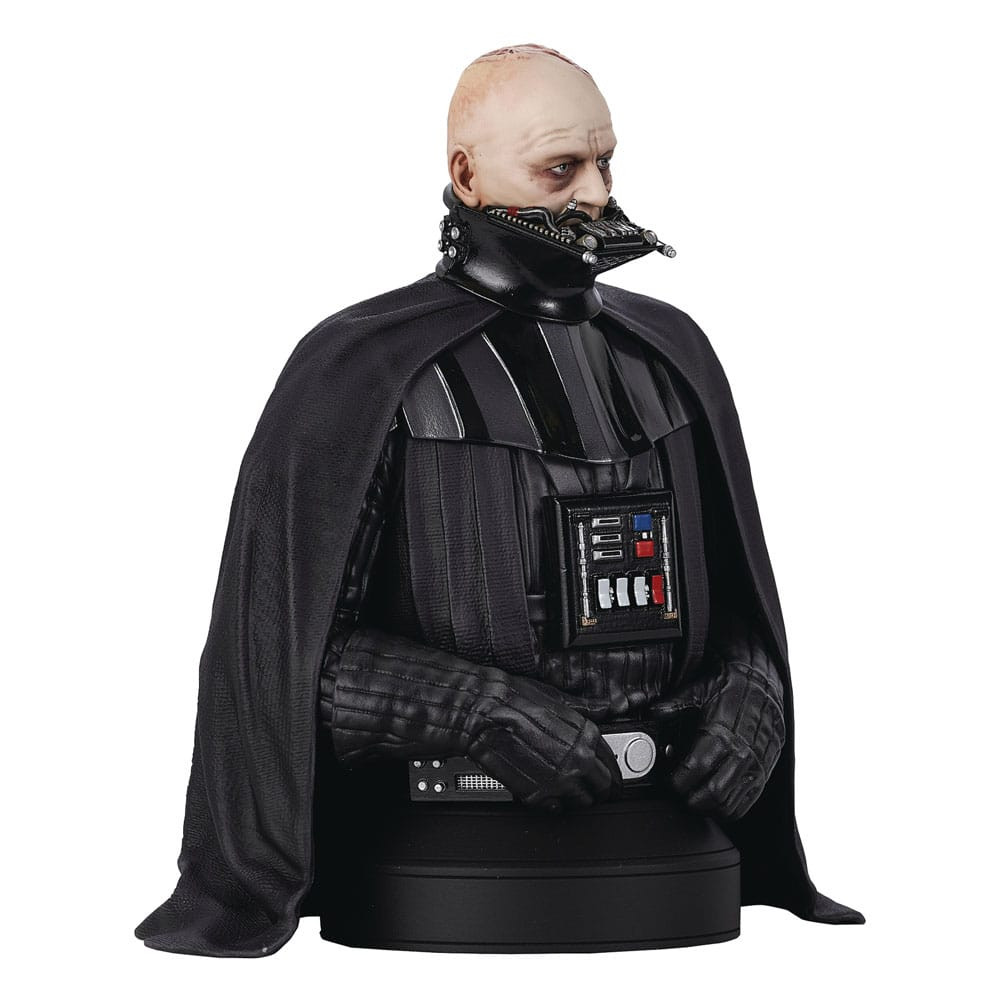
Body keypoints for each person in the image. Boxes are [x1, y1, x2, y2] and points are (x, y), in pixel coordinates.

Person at [136, 43, 864, 958]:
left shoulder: (671, 355)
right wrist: (474, 708)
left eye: (605, 162)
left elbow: (737, 603)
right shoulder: (361, 370)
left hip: (677, 853)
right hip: (442, 867)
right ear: (467, 175)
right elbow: (279, 661)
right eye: (560, 168)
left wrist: (751, 690)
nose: (596, 194)